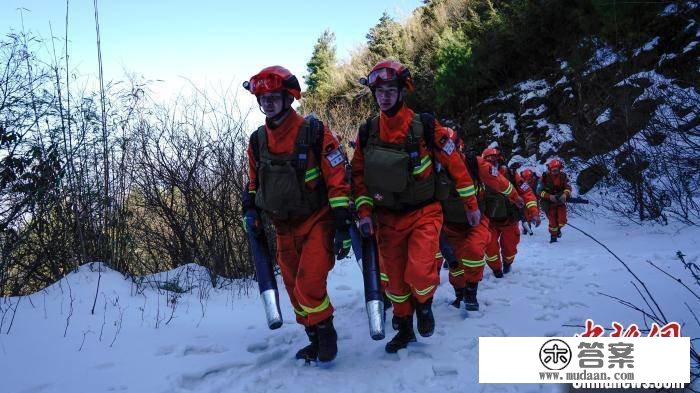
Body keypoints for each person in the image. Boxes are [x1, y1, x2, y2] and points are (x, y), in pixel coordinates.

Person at [351, 60, 480, 353]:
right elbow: (358, 176)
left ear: (401, 91)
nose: (384, 96)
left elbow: (456, 165)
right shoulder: (367, 131)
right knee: (393, 282)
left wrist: (471, 204)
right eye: (379, 91)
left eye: (390, 90)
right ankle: (406, 329)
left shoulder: (425, 126)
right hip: (386, 220)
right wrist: (364, 211)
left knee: (420, 272)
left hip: (424, 212)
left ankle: (424, 305)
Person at [242, 66, 352, 363]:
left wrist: (342, 220)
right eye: (263, 97)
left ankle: (327, 333)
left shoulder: (314, 132)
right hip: (282, 227)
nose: (268, 102)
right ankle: (313, 338)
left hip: (317, 221)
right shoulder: (257, 141)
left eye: (274, 96)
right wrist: (249, 207)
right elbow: (253, 181)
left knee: (309, 283)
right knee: (293, 289)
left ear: (288, 98)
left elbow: (337, 176)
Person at [440, 141, 525, 311]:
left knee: (475, 251)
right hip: (450, 225)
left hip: (477, 221)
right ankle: (459, 293)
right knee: (455, 265)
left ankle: (471, 292)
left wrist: (516, 197)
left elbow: (500, 181)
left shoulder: (475, 163)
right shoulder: (434, 166)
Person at [481, 148, 540, 276]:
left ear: (499, 160)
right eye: (488, 161)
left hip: (510, 219)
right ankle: (496, 269)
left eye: (494, 160)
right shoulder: (479, 178)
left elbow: (527, 192)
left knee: (510, 249)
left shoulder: (511, 174)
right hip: (489, 222)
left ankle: (507, 264)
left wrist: (533, 212)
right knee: (490, 250)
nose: (491, 164)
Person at [538, 159, 572, 243]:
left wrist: (565, 194)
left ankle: (558, 230)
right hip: (548, 204)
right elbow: (539, 191)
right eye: (552, 170)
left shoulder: (563, 176)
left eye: (556, 170)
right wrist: (549, 196)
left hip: (560, 202)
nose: (554, 172)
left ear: (559, 169)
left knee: (562, 221)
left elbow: (568, 187)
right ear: (549, 169)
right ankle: (553, 237)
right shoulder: (544, 177)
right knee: (552, 222)